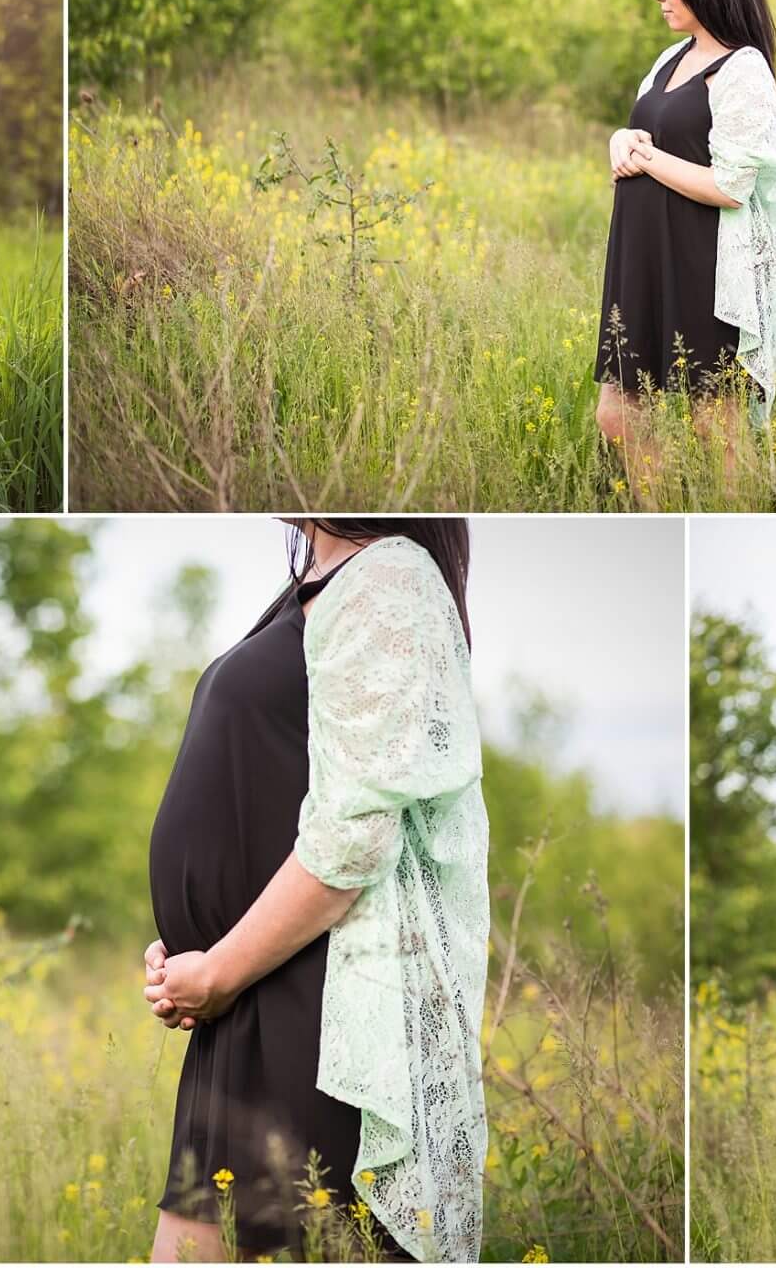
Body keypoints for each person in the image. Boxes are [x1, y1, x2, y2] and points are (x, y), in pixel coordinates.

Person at [143, 519, 490, 1264]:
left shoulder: (391, 578)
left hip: (312, 1004)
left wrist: (220, 965)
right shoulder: (310, 587)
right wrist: (193, 948)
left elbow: (354, 834)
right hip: (241, 1000)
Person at [595, 0, 776, 475]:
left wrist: (646, 158)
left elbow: (731, 186)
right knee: (619, 417)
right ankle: (662, 508)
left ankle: (735, 516)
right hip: (641, 260)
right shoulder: (670, 58)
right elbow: (645, 137)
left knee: (715, 426)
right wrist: (620, 140)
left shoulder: (742, 69)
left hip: (701, 264)